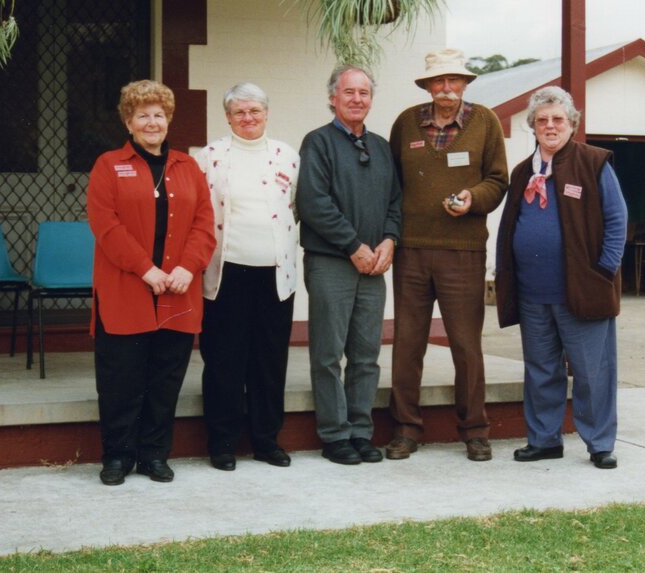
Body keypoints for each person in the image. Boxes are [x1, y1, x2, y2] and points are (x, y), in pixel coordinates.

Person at [87, 80, 216, 485]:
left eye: (159, 114)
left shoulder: (188, 167)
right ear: (128, 122)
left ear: (169, 119)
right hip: (126, 290)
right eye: (142, 114)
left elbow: (204, 225)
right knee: (120, 381)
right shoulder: (108, 165)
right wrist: (146, 269)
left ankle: (155, 455)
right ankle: (117, 457)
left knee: (165, 380)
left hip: (178, 292)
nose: (152, 122)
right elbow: (106, 226)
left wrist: (187, 268)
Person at [494, 86, 627, 470]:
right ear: (532, 127)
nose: (550, 126)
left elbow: (617, 221)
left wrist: (604, 271)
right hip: (533, 292)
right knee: (540, 369)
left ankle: (600, 443)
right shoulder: (522, 172)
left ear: (572, 124)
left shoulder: (594, 162)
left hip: (583, 290)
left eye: (558, 119)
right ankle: (544, 440)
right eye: (542, 120)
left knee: (592, 372)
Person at [386, 49, 508, 462]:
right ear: (426, 86)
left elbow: (498, 180)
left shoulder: (486, 121)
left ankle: (475, 430)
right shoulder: (406, 123)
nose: (447, 88)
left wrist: (473, 198)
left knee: (466, 346)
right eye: (438, 81)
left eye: (454, 80)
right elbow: (392, 184)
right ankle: (404, 430)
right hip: (412, 251)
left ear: (465, 83)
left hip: (463, 252)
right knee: (407, 344)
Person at [297, 65, 402, 465]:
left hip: (374, 264)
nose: (357, 99)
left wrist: (390, 240)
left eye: (364, 93)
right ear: (332, 97)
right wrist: (353, 245)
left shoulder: (380, 146)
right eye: (348, 92)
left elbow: (396, 201)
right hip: (332, 263)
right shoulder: (318, 143)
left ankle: (361, 430)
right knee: (328, 353)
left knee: (365, 354)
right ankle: (335, 434)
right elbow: (314, 202)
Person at [195, 83, 300, 471]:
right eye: (239, 112)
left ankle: (266, 440)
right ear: (227, 117)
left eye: (255, 110)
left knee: (269, 360)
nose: (248, 118)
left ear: (267, 113)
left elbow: (294, 207)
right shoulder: (210, 156)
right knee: (224, 359)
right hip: (225, 274)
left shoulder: (287, 155)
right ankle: (222, 442)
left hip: (275, 275)